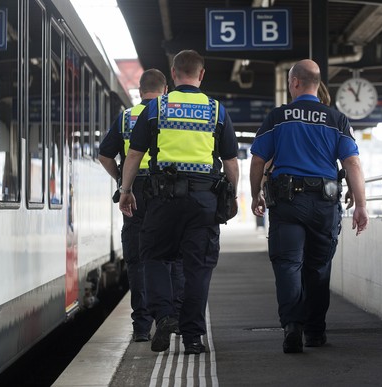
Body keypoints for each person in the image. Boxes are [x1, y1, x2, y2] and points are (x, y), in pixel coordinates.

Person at [119, 50, 239, 355]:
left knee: (154, 256)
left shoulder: (156, 108)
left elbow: (134, 154)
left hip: (162, 198)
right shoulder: (216, 111)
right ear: (201, 75)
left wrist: (126, 190)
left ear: (173, 74)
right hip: (203, 201)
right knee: (197, 269)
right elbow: (231, 162)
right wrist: (232, 194)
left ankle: (164, 315)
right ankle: (193, 338)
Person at [249, 59, 368, 354]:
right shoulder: (336, 119)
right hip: (324, 205)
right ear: (317, 84)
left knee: (288, 265)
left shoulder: (278, 117)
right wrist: (361, 204)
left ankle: (292, 326)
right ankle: (315, 332)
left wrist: (255, 195)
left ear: (294, 83)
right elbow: (352, 162)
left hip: (287, 203)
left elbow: (258, 160)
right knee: (318, 268)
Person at [99, 69, 184, 342]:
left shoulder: (126, 117)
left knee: (138, 260)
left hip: (135, 192)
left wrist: (122, 180)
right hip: (168, 192)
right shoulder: (172, 114)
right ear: (165, 90)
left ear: (139, 90)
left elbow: (104, 155)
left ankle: (141, 327)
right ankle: (172, 318)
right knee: (171, 257)